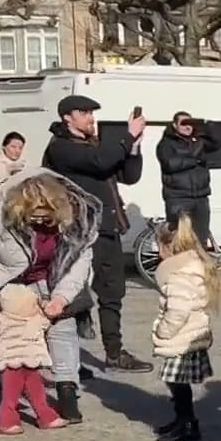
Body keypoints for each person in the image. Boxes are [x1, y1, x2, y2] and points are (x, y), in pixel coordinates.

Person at [0, 170, 99, 426]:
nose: (39, 225)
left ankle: (67, 388)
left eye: (47, 220)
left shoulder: (80, 214)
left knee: (62, 325)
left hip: (53, 275)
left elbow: (80, 260)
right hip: (5, 277)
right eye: (32, 219)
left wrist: (61, 298)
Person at [43, 95, 151, 373]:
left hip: (107, 228)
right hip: (78, 232)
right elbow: (101, 162)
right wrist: (127, 136)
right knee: (71, 297)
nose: (91, 117)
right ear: (68, 117)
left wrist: (135, 147)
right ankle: (63, 359)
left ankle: (114, 354)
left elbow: (128, 175)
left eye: (92, 112)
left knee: (112, 292)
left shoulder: (93, 144)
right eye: (84, 112)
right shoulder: (61, 147)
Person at [151, 218, 221, 441]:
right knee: (176, 382)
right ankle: (182, 420)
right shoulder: (189, 267)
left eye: (158, 246)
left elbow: (178, 310)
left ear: (167, 246)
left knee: (178, 383)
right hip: (190, 334)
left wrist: (164, 331)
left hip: (182, 337)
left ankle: (187, 423)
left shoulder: (178, 273)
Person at [0, 283, 63, 435]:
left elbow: (47, 319)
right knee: (10, 396)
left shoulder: (34, 318)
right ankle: (7, 422)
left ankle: (47, 417)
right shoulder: (2, 320)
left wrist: (47, 309)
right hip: (11, 365)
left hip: (32, 365)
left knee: (38, 393)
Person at [154, 112, 221, 244]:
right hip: (178, 199)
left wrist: (206, 124)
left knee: (201, 239)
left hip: (201, 198)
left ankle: (200, 264)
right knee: (179, 240)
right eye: (183, 123)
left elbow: (219, 140)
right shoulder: (166, 144)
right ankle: (179, 264)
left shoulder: (198, 141)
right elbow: (170, 164)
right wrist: (195, 160)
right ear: (174, 125)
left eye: (191, 124)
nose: (188, 127)